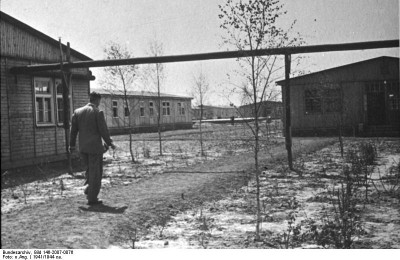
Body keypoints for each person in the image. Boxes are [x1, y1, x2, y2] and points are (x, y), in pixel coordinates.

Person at [69, 91, 116, 205]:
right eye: (99, 101)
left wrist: (72, 145)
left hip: (83, 148)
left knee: (89, 170)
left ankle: (88, 190)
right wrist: (110, 143)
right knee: (96, 173)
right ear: (97, 100)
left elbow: (73, 131)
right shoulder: (97, 112)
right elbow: (103, 130)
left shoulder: (77, 112)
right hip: (95, 149)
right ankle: (92, 198)